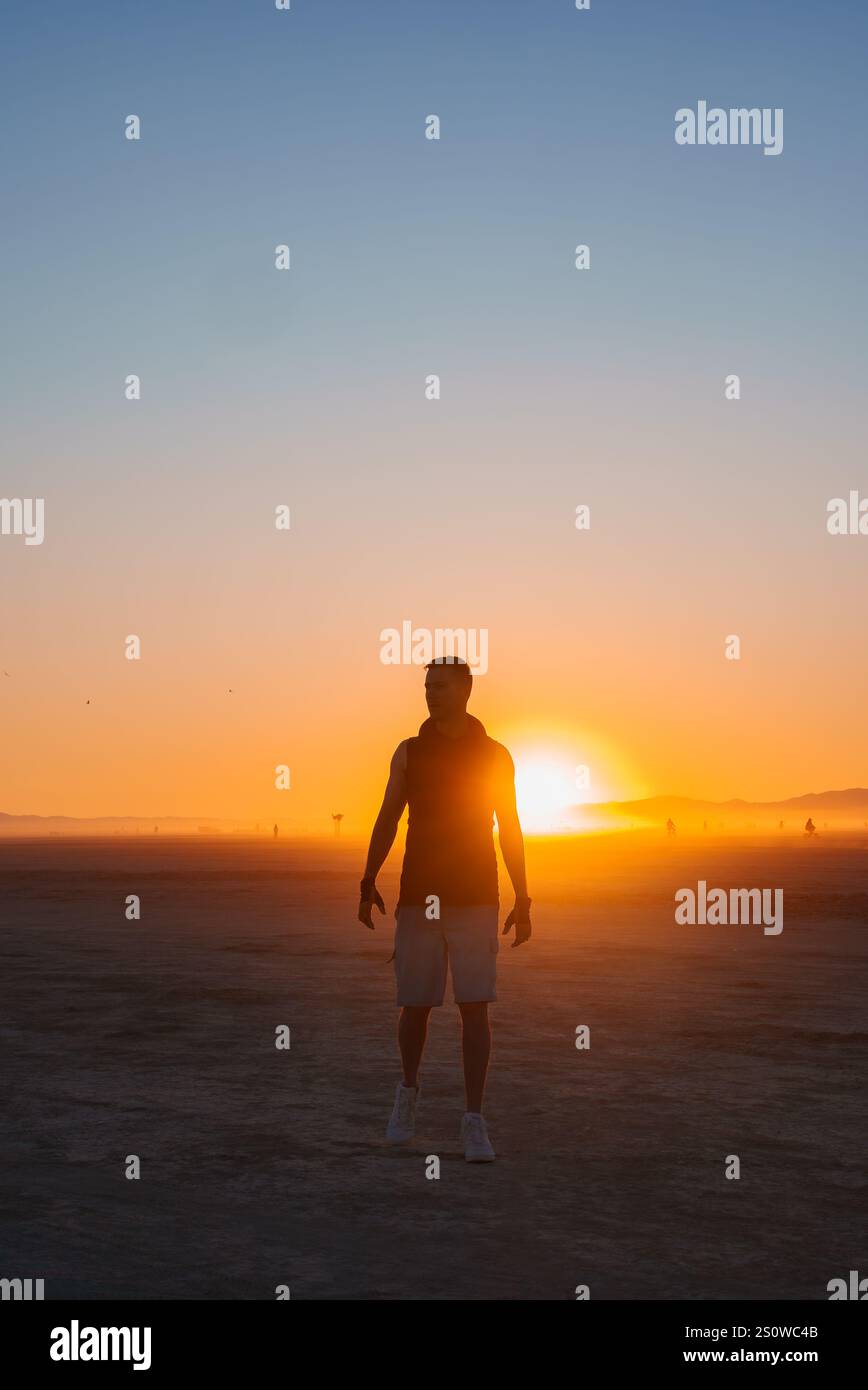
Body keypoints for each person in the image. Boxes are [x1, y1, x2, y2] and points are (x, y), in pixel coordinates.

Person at [358, 657, 531, 1163]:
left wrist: (524, 896)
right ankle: (406, 1096)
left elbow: (511, 827)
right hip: (419, 897)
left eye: (440, 686)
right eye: (427, 685)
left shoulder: (495, 755)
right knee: (415, 1006)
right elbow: (388, 817)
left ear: (467, 689)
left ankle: (473, 1120)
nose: (431, 694)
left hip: (476, 894)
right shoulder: (409, 752)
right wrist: (368, 879)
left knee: (475, 1008)